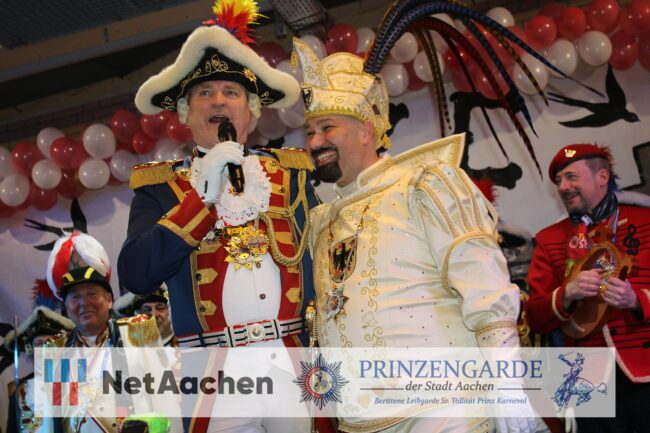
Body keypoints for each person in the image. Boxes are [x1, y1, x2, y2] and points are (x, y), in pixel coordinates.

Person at [293, 38, 536, 433]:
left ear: (367, 130)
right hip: (357, 422)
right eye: (309, 132)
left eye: (327, 127)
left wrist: (507, 388)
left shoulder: (423, 185)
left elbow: (486, 290)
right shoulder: (322, 221)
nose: (315, 142)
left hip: (444, 412)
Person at [118, 1, 322, 432]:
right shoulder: (159, 186)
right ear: (184, 113)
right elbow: (136, 273)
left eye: (232, 92)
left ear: (252, 109)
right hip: (212, 371)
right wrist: (200, 199)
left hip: (292, 359)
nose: (218, 101)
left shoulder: (291, 174)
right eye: (204, 93)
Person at [525, 144, 650, 433]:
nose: (563, 187)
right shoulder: (549, 239)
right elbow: (534, 317)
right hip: (587, 381)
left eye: (571, 177)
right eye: (558, 181)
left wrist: (636, 300)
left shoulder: (645, 221)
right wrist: (566, 293)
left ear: (602, 177)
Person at [45, 232, 169, 433]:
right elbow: (49, 417)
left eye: (92, 294)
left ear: (109, 300)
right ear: (66, 308)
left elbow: (165, 400)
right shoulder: (54, 351)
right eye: (75, 297)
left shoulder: (138, 331)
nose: (84, 302)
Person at [4, 307, 75, 433]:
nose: (44, 349)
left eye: (50, 342)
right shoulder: (21, 390)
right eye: (38, 344)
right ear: (30, 350)